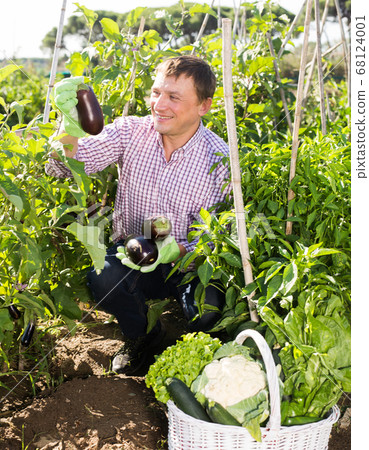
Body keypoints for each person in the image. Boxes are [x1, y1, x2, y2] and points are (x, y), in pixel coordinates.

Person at [46, 55, 231, 375]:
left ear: (204, 106)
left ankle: (193, 350)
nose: (159, 104)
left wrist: (178, 249)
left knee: (210, 315)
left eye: (174, 97)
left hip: (188, 264)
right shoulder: (131, 131)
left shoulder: (220, 160)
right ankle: (142, 336)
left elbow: (220, 235)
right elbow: (66, 167)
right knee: (103, 276)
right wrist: (69, 128)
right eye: (157, 92)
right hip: (134, 255)